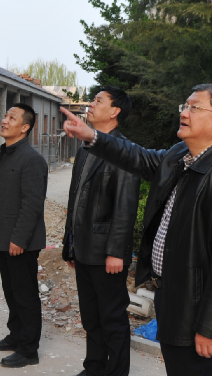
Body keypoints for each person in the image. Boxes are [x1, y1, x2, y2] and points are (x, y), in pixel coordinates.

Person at [60, 84, 212, 376]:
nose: (185, 113)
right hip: (170, 294)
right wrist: (92, 136)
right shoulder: (182, 154)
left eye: (195, 107)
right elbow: (139, 157)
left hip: (194, 307)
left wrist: (210, 327)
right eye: (185, 106)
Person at [62, 87, 141, 376]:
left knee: (112, 318)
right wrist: (69, 245)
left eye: (98, 101)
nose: (91, 105)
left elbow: (125, 207)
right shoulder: (87, 148)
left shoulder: (125, 151)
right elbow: (75, 200)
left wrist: (116, 252)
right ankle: (94, 367)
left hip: (107, 252)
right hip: (83, 248)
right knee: (90, 316)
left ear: (115, 111)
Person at [0, 103, 48, 368]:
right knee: (11, 291)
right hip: (4, 237)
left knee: (25, 295)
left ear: (24, 127)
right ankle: (16, 335)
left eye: (12, 118)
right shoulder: (8, 154)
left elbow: (32, 204)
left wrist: (19, 239)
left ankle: (29, 349)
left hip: (20, 242)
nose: (4, 121)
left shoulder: (31, 159)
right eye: (5, 116)